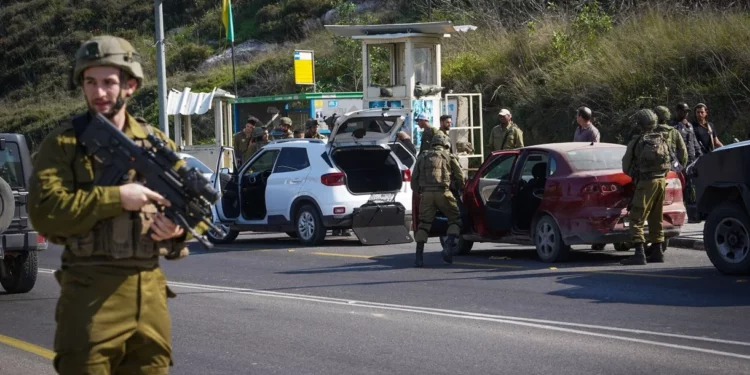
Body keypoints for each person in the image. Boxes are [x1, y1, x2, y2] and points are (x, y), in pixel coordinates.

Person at [28, 35, 190, 375]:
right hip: (89, 298)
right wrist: (117, 197)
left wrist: (174, 232)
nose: (99, 93)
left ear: (130, 85)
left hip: (149, 299)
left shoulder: (157, 143)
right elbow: (45, 216)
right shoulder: (63, 145)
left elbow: (185, 213)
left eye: (108, 83)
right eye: (90, 82)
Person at [621, 109, 671, 265]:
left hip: (645, 183)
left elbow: (626, 166)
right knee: (656, 217)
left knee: (636, 218)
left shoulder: (637, 141)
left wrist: (637, 175)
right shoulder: (663, 139)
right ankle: (657, 251)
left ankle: (639, 253)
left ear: (639, 124)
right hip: (661, 181)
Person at [410, 133, 464, 267]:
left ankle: (419, 257)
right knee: (455, 220)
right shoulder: (448, 156)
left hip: (426, 195)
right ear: (446, 144)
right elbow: (460, 177)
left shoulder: (422, 157)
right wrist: (458, 189)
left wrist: (420, 191)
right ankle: (449, 246)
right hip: (444, 193)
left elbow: (414, 180)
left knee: (424, 224)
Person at [653, 106, 688, 171]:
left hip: (654, 172)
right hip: (672, 170)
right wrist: (680, 167)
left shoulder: (650, 133)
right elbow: (683, 153)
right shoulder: (674, 132)